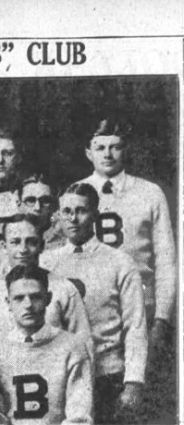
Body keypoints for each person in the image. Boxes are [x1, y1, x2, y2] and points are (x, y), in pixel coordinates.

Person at [42, 182, 147, 424]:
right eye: (67, 211)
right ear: (58, 215)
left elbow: (136, 326)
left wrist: (133, 382)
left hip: (107, 377)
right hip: (59, 377)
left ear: (95, 215)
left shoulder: (120, 262)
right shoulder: (46, 263)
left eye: (81, 211)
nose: (73, 218)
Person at [75, 117, 175, 348]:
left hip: (141, 306)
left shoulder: (149, 193)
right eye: (100, 147)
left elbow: (166, 260)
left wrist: (162, 318)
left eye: (115, 147)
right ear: (89, 153)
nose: (107, 154)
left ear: (125, 150)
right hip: (92, 308)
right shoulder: (75, 192)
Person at [0, 265, 93, 425]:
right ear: (8, 303)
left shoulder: (72, 347)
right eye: (19, 298)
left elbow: (79, 418)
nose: (28, 304)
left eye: (36, 297)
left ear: (48, 298)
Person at [0, 213, 90, 339]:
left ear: (41, 246)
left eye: (31, 242)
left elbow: (83, 343)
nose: (23, 249)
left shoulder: (64, 289)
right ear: (4, 247)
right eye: (15, 242)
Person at [17, 173, 65, 250]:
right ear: (19, 205)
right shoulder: (4, 246)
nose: (37, 207)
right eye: (30, 200)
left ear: (54, 205)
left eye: (45, 200)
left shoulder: (66, 244)